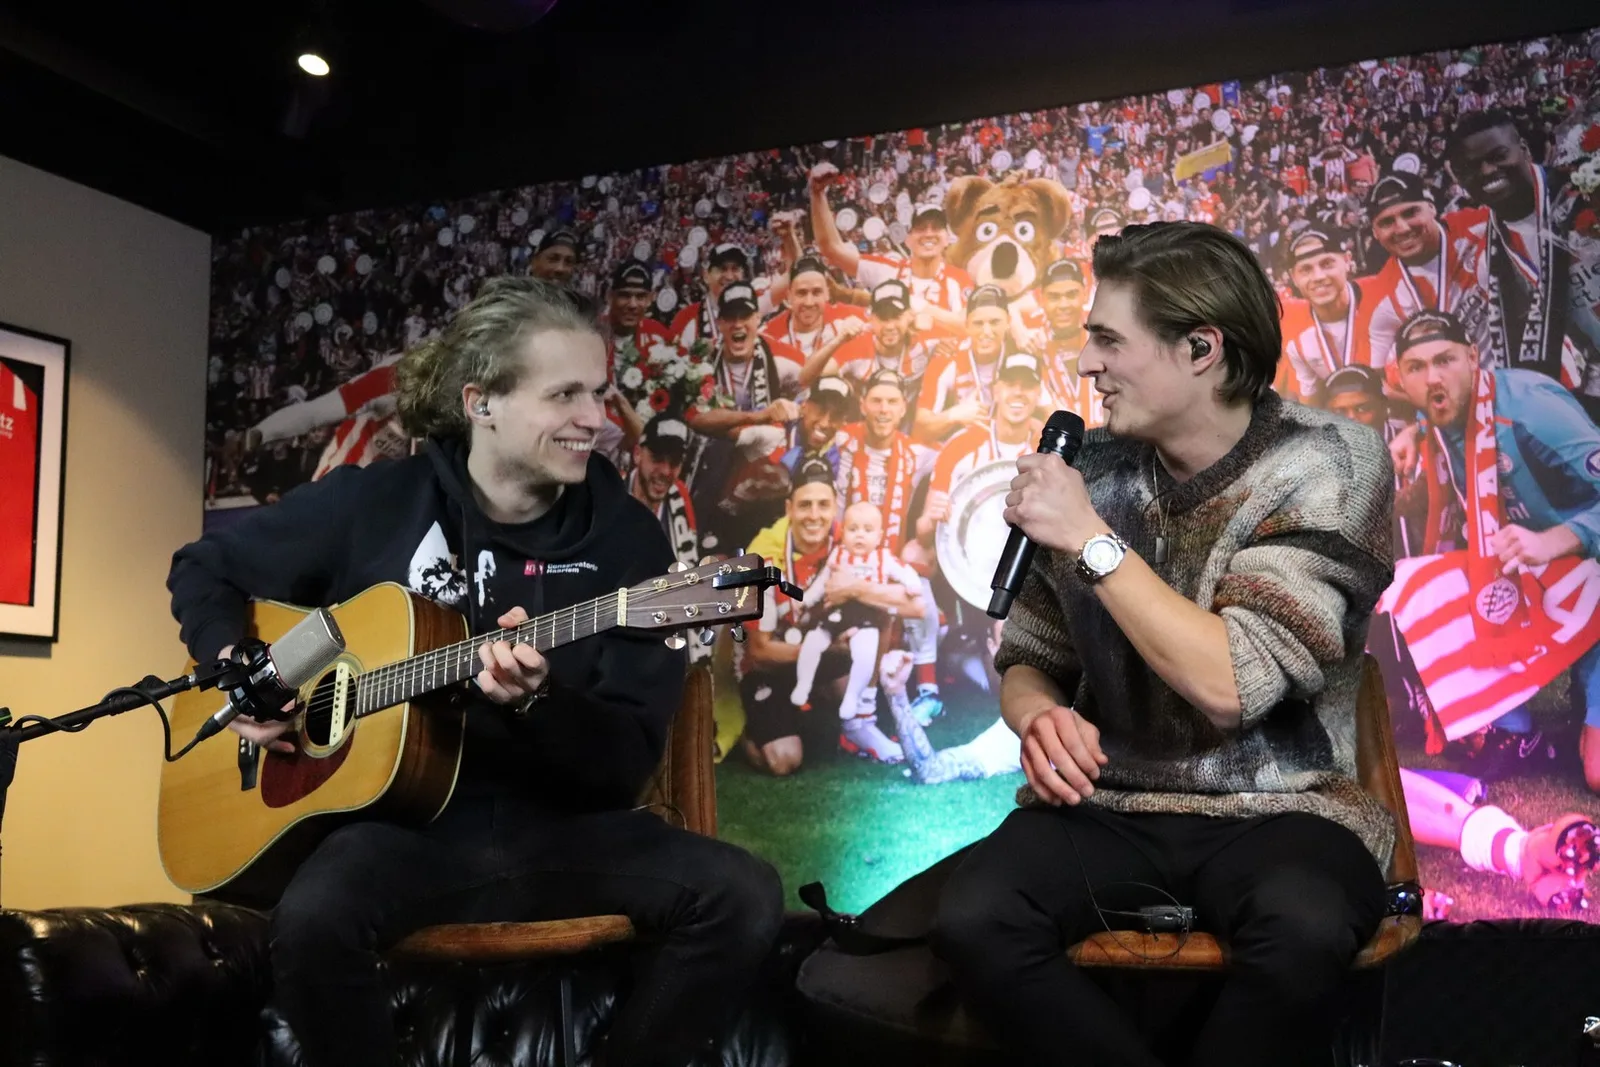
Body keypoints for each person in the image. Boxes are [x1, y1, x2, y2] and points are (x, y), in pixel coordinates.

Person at [166, 277, 783, 1067]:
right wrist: (240, 669)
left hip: (561, 832)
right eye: (565, 395)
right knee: (316, 915)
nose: (595, 419)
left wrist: (540, 704)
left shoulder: (632, 550)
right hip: (404, 833)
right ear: (480, 400)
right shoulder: (378, 499)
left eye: (599, 392)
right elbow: (205, 567)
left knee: (742, 894)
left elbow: (623, 766)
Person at [932, 221, 1398, 1067]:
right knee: (973, 916)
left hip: (1285, 805)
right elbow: (1030, 653)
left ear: (1200, 348)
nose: (1085, 364)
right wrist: (1037, 715)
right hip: (1115, 805)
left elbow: (1231, 680)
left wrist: (1089, 538)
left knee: (1304, 926)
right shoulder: (1095, 465)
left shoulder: (1331, 459)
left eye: (1109, 339)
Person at [1391, 309, 1600, 793]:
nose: (1433, 378)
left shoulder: (1530, 408)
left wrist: (1558, 538)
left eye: (1444, 360)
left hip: (1587, 565)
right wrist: (1415, 431)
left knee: (1596, 777)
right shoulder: (1440, 419)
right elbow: (1434, 406)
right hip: (1540, 573)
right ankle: (1516, 730)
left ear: (1472, 357)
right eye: (1417, 368)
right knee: (1418, 580)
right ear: (1401, 378)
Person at [790, 501, 924, 760]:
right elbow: (820, 586)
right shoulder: (838, 555)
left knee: (867, 651)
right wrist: (805, 599)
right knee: (813, 643)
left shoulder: (883, 557)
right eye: (853, 529)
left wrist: (912, 584)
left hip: (864, 621)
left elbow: (907, 579)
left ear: (879, 535)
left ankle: (857, 704)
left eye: (867, 530)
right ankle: (805, 685)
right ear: (842, 532)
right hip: (835, 618)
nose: (860, 535)